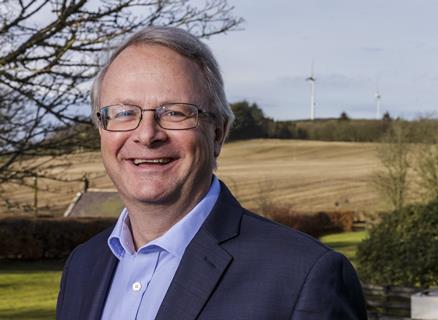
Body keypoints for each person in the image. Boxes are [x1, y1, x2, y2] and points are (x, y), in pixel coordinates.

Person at [56, 26, 367, 320]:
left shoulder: (303, 276)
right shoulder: (83, 266)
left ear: (218, 133)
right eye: (124, 113)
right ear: (102, 130)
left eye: (174, 113)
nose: (147, 135)